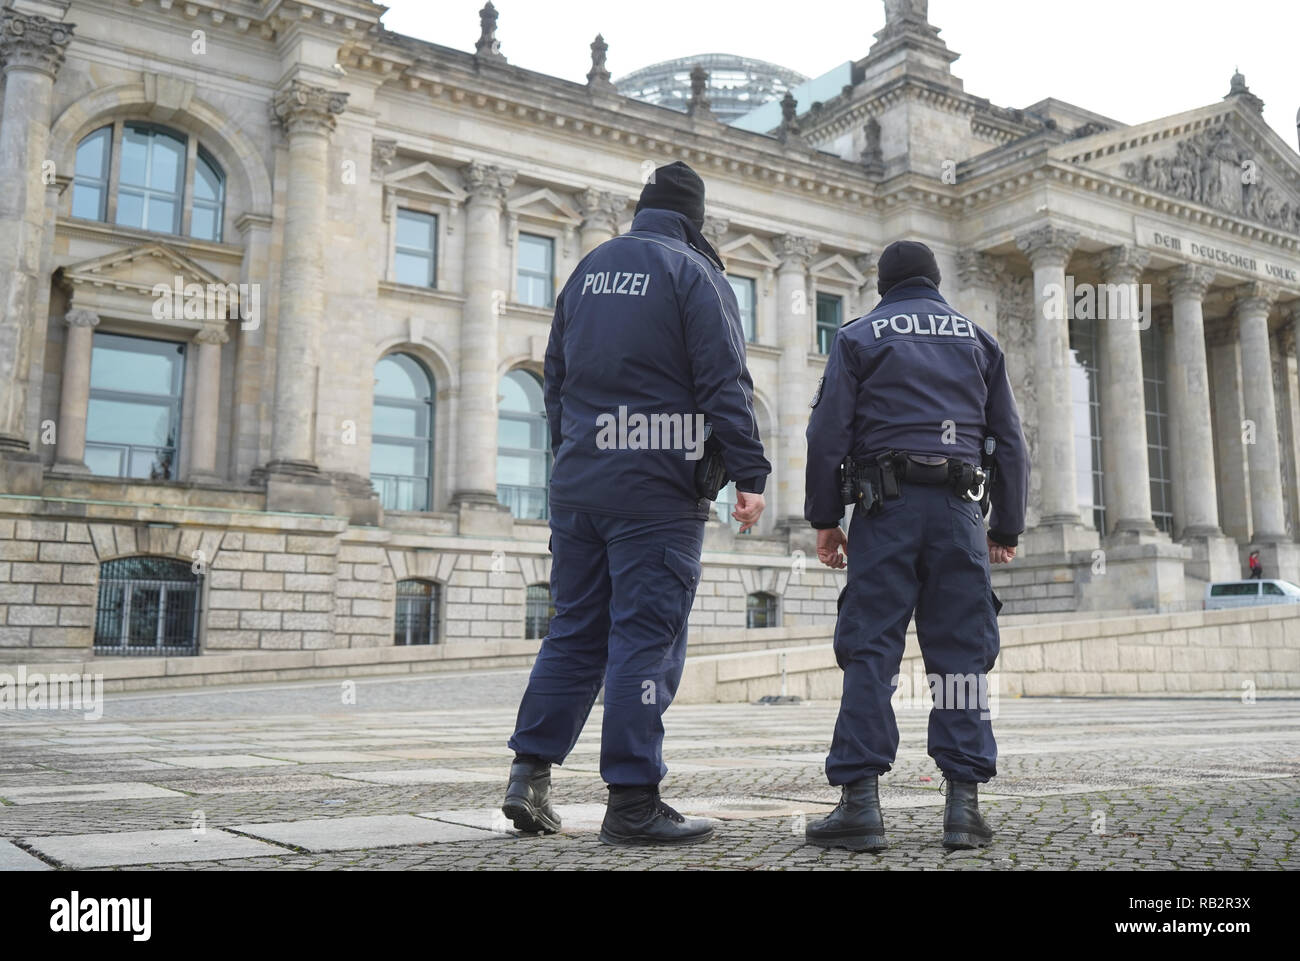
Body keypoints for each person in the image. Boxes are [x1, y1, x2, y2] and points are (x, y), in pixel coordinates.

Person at [502, 161, 771, 846]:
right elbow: (724, 380)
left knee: (576, 629)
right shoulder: (694, 273)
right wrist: (750, 471)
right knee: (644, 642)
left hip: (580, 486)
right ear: (695, 218)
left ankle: (528, 772)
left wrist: (574, 452)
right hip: (656, 489)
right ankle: (633, 802)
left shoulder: (589, 268)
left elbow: (552, 377)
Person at [802, 239, 1028, 852]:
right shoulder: (979, 341)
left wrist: (826, 518)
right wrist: (1005, 527)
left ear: (883, 285)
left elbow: (826, 434)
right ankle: (963, 809)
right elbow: (1009, 441)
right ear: (935, 282)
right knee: (962, 656)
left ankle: (860, 806)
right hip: (959, 513)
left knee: (870, 650)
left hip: (885, 510)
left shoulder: (859, 337)